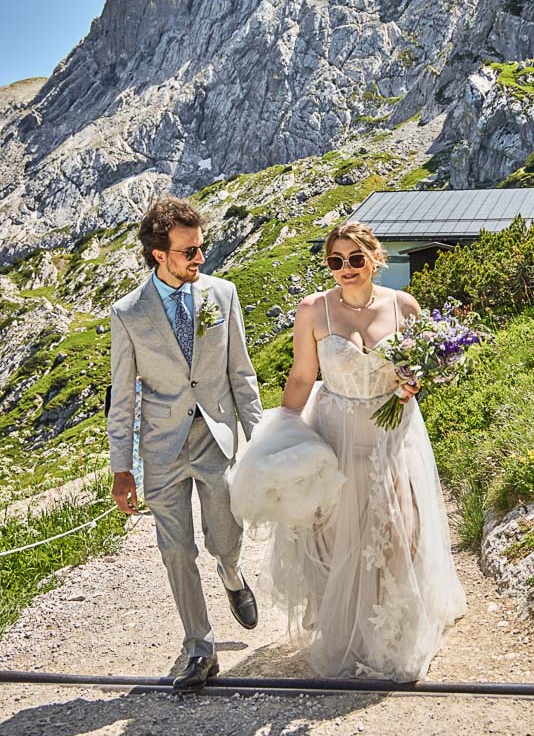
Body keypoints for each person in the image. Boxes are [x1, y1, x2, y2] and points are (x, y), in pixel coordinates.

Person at [257, 221, 467, 681]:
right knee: (338, 534)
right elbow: (300, 377)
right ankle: (349, 626)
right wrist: (282, 429)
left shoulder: (404, 305)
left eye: (355, 258)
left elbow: (420, 369)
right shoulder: (313, 310)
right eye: (336, 261)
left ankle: (391, 627)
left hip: (392, 433)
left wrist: (414, 384)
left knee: (399, 528)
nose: (346, 268)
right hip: (335, 430)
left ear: (375, 257)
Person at [107, 196, 263, 692]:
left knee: (224, 537)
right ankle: (200, 647)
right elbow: (123, 398)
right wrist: (122, 469)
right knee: (176, 550)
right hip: (161, 449)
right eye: (190, 252)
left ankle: (233, 574)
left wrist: (259, 442)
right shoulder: (127, 313)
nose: (201, 259)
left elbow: (242, 375)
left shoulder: (224, 294)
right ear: (160, 254)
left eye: (202, 248)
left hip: (215, 438)